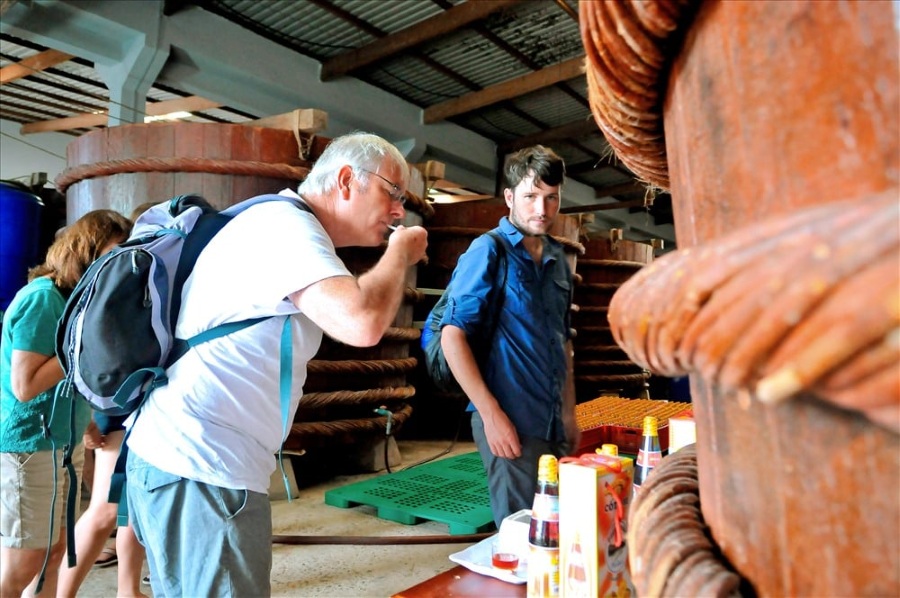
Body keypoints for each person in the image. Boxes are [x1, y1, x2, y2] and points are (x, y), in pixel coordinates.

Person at [124, 131, 428, 596]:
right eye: (393, 192)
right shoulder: (288, 227)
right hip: (205, 467)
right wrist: (400, 254)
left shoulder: (274, 220)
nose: (398, 211)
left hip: (184, 460)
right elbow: (361, 322)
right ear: (346, 179)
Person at [439, 145, 581, 528]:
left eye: (552, 199)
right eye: (531, 197)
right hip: (510, 420)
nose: (542, 210)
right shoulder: (489, 251)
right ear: (509, 197)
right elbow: (453, 336)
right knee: (522, 534)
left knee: (557, 529)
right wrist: (491, 415)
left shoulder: (557, 261)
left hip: (552, 422)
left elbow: (563, 342)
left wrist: (568, 414)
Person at [0, 209, 132, 597]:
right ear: (84, 251)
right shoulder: (43, 299)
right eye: (109, 254)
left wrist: (86, 424)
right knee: (25, 559)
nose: (114, 266)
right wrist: (85, 344)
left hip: (60, 442)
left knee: (56, 552)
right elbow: (25, 386)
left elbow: (66, 382)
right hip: (29, 445)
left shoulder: (70, 301)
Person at [57, 201, 156, 598]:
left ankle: (127, 590)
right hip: (115, 407)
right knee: (104, 511)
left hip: (133, 401)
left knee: (132, 513)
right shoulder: (79, 295)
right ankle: (57, 594)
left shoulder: (132, 276)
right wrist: (90, 419)